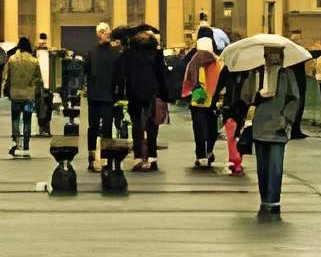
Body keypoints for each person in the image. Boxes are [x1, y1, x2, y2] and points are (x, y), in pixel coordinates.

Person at [239, 53, 309, 217]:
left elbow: (294, 99)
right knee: (262, 167)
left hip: (278, 127)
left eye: (277, 54)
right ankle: (266, 200)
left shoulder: (286, 75)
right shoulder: (255, 75)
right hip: (259, 126)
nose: (274, 58)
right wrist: (256, 94)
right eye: (271, 54)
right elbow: (245, 97)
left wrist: (286, 118)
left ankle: (273, 201)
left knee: (275, 166)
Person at [117, 22, 169, 171]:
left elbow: (122, 74)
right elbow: (161, 75)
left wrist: (120, 93)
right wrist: (164, 94)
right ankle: (152, 158)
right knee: (152, 126)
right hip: (152, 92)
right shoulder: (156, 54)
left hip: (134, 92)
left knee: (136, 126)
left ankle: (138, 157)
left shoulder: (128, 54)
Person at [180, 37, 225, 170]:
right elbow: (222, 82)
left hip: (197, 101)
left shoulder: (193, 61)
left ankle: (200, 156)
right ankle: (209, 151)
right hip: (213, 101)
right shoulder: (218, 63)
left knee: (199, 129)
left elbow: (188, 80)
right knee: (212, 129)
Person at [85, 24, 125, 170]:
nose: (107, 34)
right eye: (104, 32)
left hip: (102, 96)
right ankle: (95, 158)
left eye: (108, 32)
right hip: (101, 96)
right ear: (98, 34)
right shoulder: (113, 53)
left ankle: (105, 158)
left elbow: (88, 73)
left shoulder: (94, 52)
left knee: (101, 128)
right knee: (98, 128)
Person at [4, 41, 44, 158]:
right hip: (28, 96)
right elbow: (39, 79)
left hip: (15, 95)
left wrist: (7, 89)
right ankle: (26, 144)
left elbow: (7, 77)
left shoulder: (11, 60)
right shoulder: (34, 61)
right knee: (27, 120)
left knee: (15, 120)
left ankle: (16, 142)